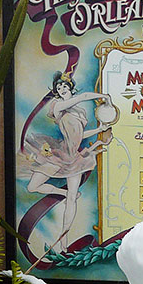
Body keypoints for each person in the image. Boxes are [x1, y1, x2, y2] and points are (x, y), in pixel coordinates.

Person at [23, 71, 114, 251]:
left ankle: (63, 243)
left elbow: (78, 136)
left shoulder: (79, 112)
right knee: (32, 187)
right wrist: (106, 97)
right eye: (59, 87)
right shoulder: (57, 105)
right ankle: (61, 193)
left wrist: (100, 130)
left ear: (70, 87)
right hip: (59, 153)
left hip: (74, 158)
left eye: (65, 86)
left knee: (73, 198)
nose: (62, 88)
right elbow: (84, 96)